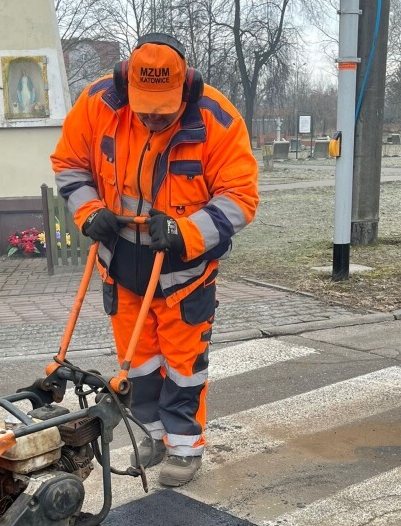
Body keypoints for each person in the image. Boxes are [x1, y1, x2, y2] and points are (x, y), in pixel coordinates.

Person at [51, 32, 259, 487]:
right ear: (126, 85)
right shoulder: (98, 104)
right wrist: (90, 212)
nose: (152, 118)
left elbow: (240, 199)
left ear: (186, 88)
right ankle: (153, 435)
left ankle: (184, 448)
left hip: (184, 273)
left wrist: (185, 232)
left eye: (163, 110)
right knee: (138, 363)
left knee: (184, 367)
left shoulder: (217, 120)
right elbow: (70, 164)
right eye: (145, 108)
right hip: (121, 262)